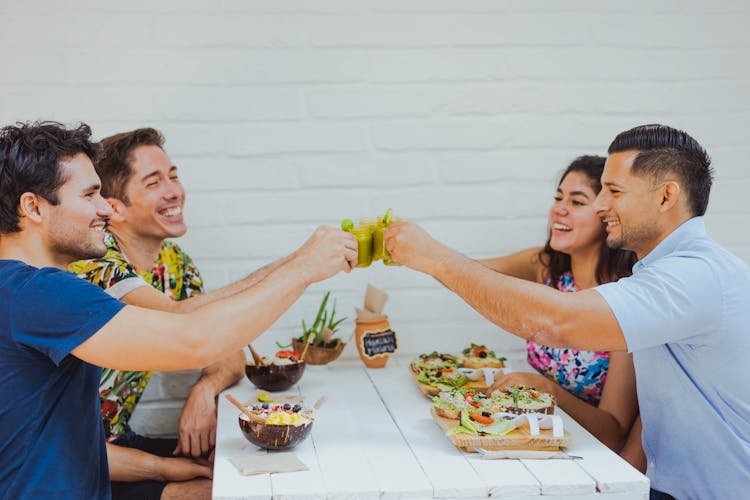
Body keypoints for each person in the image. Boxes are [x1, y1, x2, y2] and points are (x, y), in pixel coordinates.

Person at [385, 124, 750, 499]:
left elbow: (555, 322)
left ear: (666, 196)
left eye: (614, 191)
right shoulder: (660, 274)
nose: (602, 204)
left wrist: (435, 258)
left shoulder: (693, 276)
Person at [0, 121, 357, 499]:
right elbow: (193, 340)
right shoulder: (37, 292)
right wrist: (303, 269)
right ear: (33, 206)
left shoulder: (25, 289)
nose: (106, 208)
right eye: (90, 195)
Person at [67, 128, 272, 499]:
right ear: (114, 207)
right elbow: (181, 319)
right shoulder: (94, 262)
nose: (174, 190)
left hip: (115, 444)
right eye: (153, 182)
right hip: (68, 462)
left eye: (173, 176)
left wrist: (204, 389)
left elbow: (230, 354)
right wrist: (299, 268)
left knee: (238, 473)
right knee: (207, 492)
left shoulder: (175, 265)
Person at [479, 155, 641, 463]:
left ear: (608, 215)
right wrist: (411, 252)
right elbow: (471, 276)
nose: (559, 208)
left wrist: (546, 390)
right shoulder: (547, 268)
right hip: (535, 444)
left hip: (589, 461)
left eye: (577, 202)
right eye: (558, 197)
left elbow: (612, 432)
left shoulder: (627, 303)